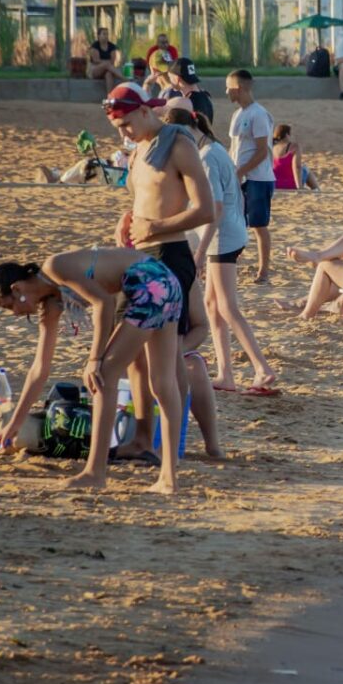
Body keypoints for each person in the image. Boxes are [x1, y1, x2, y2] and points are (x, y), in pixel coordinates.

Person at [0, 250, 184, 493]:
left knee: (103, 377)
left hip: (148, 283)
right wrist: (15, 421)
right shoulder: (50, 304)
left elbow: (104, 303)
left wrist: (95, 359)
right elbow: (39, 369)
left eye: (9, 305)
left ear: (18, 288)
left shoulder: (55, 268)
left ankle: (95, 473)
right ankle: (168, 479)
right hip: (166, 282)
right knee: (162, 384)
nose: (15, 313)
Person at [105, 83, 220, 461]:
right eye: (117, 127)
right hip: (141, 255)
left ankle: (177, 443)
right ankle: (141, 438)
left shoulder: (179, 145)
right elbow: (146, 199)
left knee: (166, 361)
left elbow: (206, 210)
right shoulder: (139, 150)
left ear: (144, 110)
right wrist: (130, 219)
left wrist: (155, 227)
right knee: (137, 356)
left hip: (170, 253)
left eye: (125, 123)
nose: (123, 132)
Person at [165, 107, 277, 393]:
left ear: (186, 132)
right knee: (213, 307)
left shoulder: (207, 158)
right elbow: (232, 197)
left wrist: (200, 253)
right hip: (228, 233)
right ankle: (225, 374)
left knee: (227, 306)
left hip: (222, 238)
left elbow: (214, 209)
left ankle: (262, 369)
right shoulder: (214, 149)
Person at [226, 69, 275, 283]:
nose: (226, 91)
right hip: (240, 177)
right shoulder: (238, 114)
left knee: (258, 224)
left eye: (228, 87)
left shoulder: (258, 114)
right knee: (235, 221)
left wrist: (241, 171)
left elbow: (262, 150)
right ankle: (230, 264)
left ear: (239, 89)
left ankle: (264, 271)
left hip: (258, 178)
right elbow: (235, 147)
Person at [272, 124, 320, 191]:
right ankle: (317, 190)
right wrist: (299, 187)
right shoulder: (294, 147)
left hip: (274, 185)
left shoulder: (271, 147)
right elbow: (297, 167)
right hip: (290, 184)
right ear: (287, 135)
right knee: (305, 169)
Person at [166, 57, 214, 123]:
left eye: (170, 77)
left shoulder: (185, 103)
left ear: (177, 79)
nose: (169, 81)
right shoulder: (206, 97)